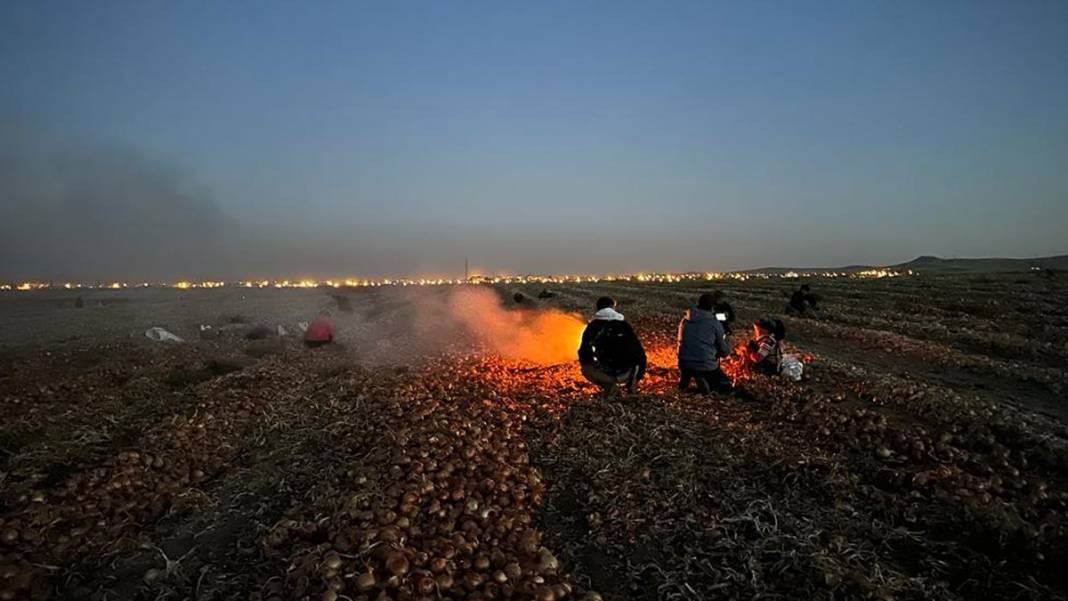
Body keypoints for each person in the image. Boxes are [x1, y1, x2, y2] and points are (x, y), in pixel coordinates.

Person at [578, 297, 647, 394]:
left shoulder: (592, 327)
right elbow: (639, 352)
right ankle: (631, 386)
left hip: (605, 374)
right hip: (628, 373)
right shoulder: (624, 325)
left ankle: (609, 386)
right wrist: (636, 377)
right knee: (637, 359)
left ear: (598, 309)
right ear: (612, 307)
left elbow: (584, 353)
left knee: (585, 369)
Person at [677, 293, 733, 393]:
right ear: (712, 307)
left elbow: (681, 341)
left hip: (684, 362)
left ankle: (686, 380)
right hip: (704, 364)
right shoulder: (714, 323)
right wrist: (726, 337)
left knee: (689, 367)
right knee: (725, 386)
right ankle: (702, 380)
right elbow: (724, 352)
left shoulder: (685, 320)